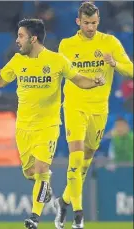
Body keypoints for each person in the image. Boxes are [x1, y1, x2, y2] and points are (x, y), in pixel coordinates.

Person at [0, 18, 105, 229]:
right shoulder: (18, 61)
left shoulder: (57, 61)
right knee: (31, 173)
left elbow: (78, 79)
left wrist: (94, 82)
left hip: (48, 126)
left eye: (21, 36)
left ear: (33, 38)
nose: (17, 40)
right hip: (23, 127)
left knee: (41, 168)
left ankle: (34, 218)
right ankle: (46, 187)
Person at [53, 2, 133, 229]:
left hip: (99, 109)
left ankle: (64, 201)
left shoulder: (109, 43)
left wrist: (114, 63)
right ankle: (78, 215)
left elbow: (131, 70)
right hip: (74, 106)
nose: (90, 27)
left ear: (99, 21)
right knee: (76, 159)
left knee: (85, 163)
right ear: (78, 21)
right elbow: (61, 75)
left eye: (94, 23)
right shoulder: (66, 45)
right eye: (86, 23)